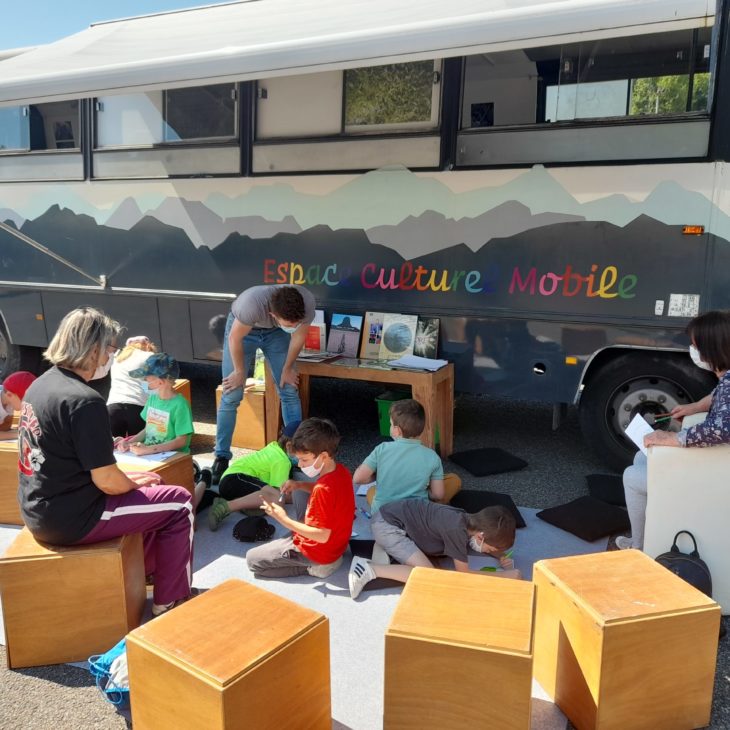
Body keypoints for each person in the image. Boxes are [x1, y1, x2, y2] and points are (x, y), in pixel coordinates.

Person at [17, 306, 195, 616]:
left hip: (38, 508)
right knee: (179, 503)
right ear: (94, 348)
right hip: (74, 517)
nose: (109, 358)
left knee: (153, 489)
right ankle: (170, 599)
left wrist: (131, 482)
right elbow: (109, 482)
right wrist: (128, 482)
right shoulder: (84, 401)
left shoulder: (40, 384)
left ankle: (148, 572)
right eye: (110, 349)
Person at [618, 310, 730, 550]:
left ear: (712, 349)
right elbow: (717, 397)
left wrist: (670, 437)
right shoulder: (727, 380)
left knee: (632, 476)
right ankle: (647, 536)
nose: (693, 350)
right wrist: (695, 407)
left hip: (717, 474)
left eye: (695, 345)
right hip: (718, 463)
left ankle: (639, 546)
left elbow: (720, 431)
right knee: (641, 457)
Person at [212, 284, 316, 483]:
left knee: (288, 389)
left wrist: (287, 369)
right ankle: (221, 456)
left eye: (296, 323)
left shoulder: (306, 302)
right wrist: (240, 372)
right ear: (272, 314)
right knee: (231, 393)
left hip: (276, 335)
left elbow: (298, 337)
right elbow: (235, 338)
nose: (293, 326)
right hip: (244, 332)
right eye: (289, 323)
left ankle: (294, 456)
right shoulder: (250, 305)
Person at [246, 418, 355, 579]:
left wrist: (282, 518)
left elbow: (322, 535)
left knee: (252, 560)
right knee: (298, 492)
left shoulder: (322, 490)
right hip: (337, 543)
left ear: (323, 456)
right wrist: (298, 485)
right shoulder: (342, 471)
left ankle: (313, 567)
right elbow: (328, 495)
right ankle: (315, 551)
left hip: (318, 552)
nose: (300, 465)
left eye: (304, 460)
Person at [348, 501, 521, 599]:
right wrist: (506, 576)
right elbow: (463, 574)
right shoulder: (455, 531)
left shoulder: (468, 520)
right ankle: (369, 568)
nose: (488, 550)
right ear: (480, 537)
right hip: (387, 526)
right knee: (431, 577)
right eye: (490, 547)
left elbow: (483, 543)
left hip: (394, 518)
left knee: (431, 566)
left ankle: (387, 548)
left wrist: (501, 555)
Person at [352, 399, 461, 514]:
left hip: (385, 513)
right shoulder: (432, 456)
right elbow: (438, 495)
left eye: (390, 424)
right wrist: (426, 491)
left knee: (372, 491)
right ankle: (433, 509)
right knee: (454, 480)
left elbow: (358, 478)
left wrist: (377, 476)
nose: (390, 426)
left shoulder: (382, 449)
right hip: (417, 514)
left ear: (397, 430)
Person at [207, 421, 300, 531]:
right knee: (278, 500)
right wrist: (305, 496)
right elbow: (282, 494)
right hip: (235, 478)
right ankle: (224, 507)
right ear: (289, 446)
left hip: (230, 481)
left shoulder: (274, 447)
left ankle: (240, 503)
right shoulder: (282, 461)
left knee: (266, 505)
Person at [116, 352, 194, 456]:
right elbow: (148, 429)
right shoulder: (152, 398)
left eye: (147, 380)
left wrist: (150, 449)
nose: (144, 382)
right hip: (151, 454)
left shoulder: (180, 405)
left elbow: (181, 441)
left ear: (161, 382)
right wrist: (129, 442)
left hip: (173, 457)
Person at [107, 335, 158, 437]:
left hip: (113, 407)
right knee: (136, 447)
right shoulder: (149, 356)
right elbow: (151, 388)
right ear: (147, 346)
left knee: (114, 448)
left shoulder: (117, 357)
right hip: (137, 409)